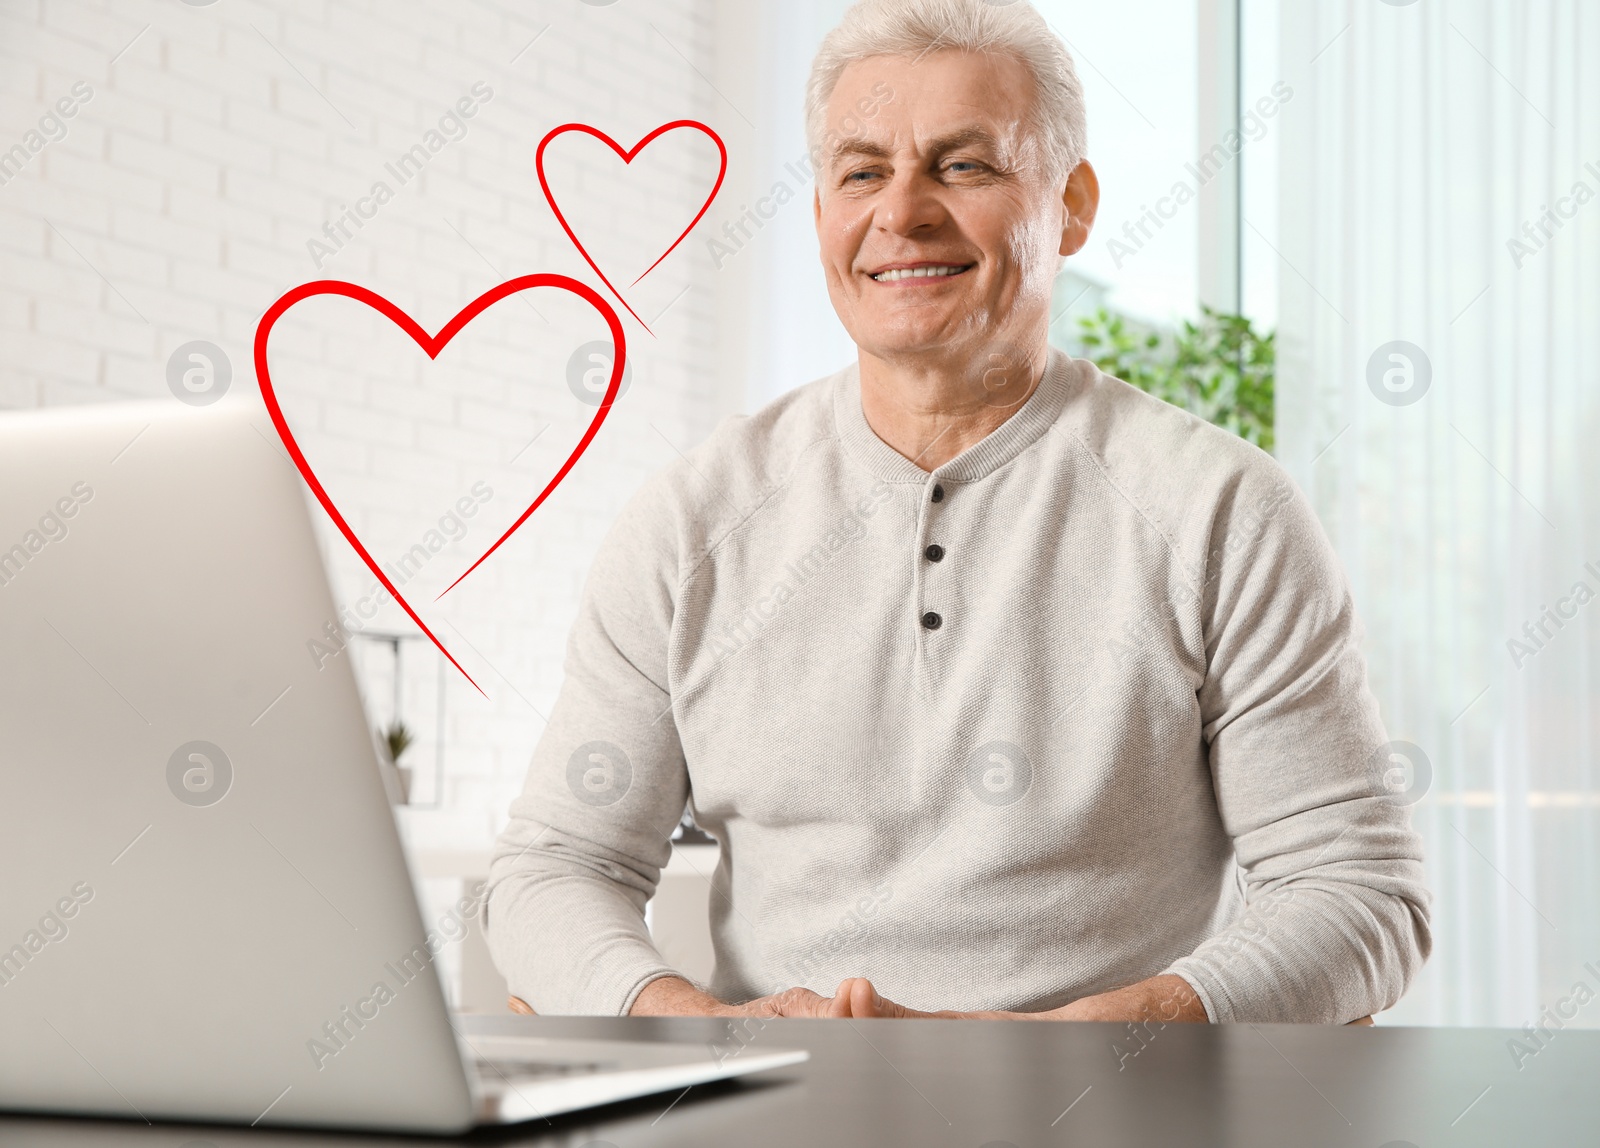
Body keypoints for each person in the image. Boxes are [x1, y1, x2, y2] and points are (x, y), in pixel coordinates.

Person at [486, 0, 1430, 1026]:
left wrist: (1082, 1043)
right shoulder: (690, 519)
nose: (901, 212)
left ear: (1070, 203)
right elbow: (553, 868)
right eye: (860, 171)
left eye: (962, 165)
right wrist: (691, 1024)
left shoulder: (1222, 511)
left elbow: (1357, 892)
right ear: (818, 216)